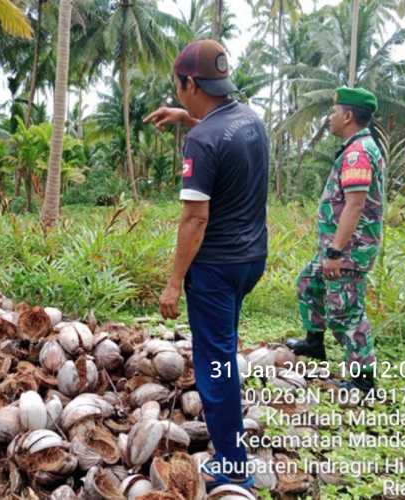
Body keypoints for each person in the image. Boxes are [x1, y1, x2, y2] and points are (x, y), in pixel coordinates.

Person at [144, 39, 268, 491]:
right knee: (225, 344)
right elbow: (225, 139)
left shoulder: (203, 140)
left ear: (190, 82)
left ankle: (234, 465)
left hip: (215, 267)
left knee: (215, 364)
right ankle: (233, 438)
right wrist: (187, 119)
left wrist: (174, 282)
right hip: (251, 259)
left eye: (179, 88)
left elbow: (195, 219)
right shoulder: (250, 119)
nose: (178, 94)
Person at [286, 87, 383, 394]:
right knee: (309, 283)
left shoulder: (358, 152)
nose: (329, 118)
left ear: (348, 115)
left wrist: (335, 251)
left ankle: (363, 378)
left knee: (346, 313)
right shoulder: (355, 147)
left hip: (348, 251)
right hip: (338, 248)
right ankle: (314, 342)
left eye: (333, 112)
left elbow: (355, 205)